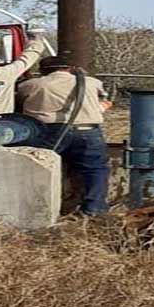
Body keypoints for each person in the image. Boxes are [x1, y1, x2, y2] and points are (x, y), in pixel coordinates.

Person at [17, 56, 112, 215]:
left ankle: (37, 208)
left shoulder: (30, 85)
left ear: (42, 70)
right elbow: (103, 98)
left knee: (39, 166)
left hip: (49, 131)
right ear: (69, 68)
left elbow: (18, 104)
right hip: (88, 130)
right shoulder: (91, 82)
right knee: (95, 169)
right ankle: (94, 209)